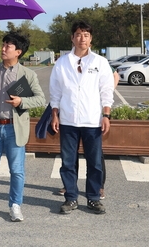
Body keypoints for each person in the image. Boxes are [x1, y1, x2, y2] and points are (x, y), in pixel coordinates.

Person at [0, 32, 46, 222]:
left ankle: (15, 205)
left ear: (18, 52)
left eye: (8, 46)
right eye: (4, 44)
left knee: (17, 170)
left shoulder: (28, 74)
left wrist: (21, 101)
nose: (4, 48)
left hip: (13, 128)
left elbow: (40, 99)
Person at [50, 21, 114, 215]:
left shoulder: (100, 62)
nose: (82, 38)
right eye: (78, 34)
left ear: (91, 39)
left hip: (92, 120)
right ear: (72, 38)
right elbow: (55, 91)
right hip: (68, 120)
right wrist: (55, 114)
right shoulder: (62, 62)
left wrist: (106, 115)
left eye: (86, 35)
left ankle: (93, 198)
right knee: (68, 163)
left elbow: (106, 90)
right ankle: (71, 198)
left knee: (94, 163)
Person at [58, 66, 119, 199]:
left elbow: (115, 75)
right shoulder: (67, 62)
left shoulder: (99, 62)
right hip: (71, 117)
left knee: (95, 158)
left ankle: (99, 187)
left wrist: (103, 95)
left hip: (92, 117)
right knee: (70, 157)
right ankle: (70, 187)